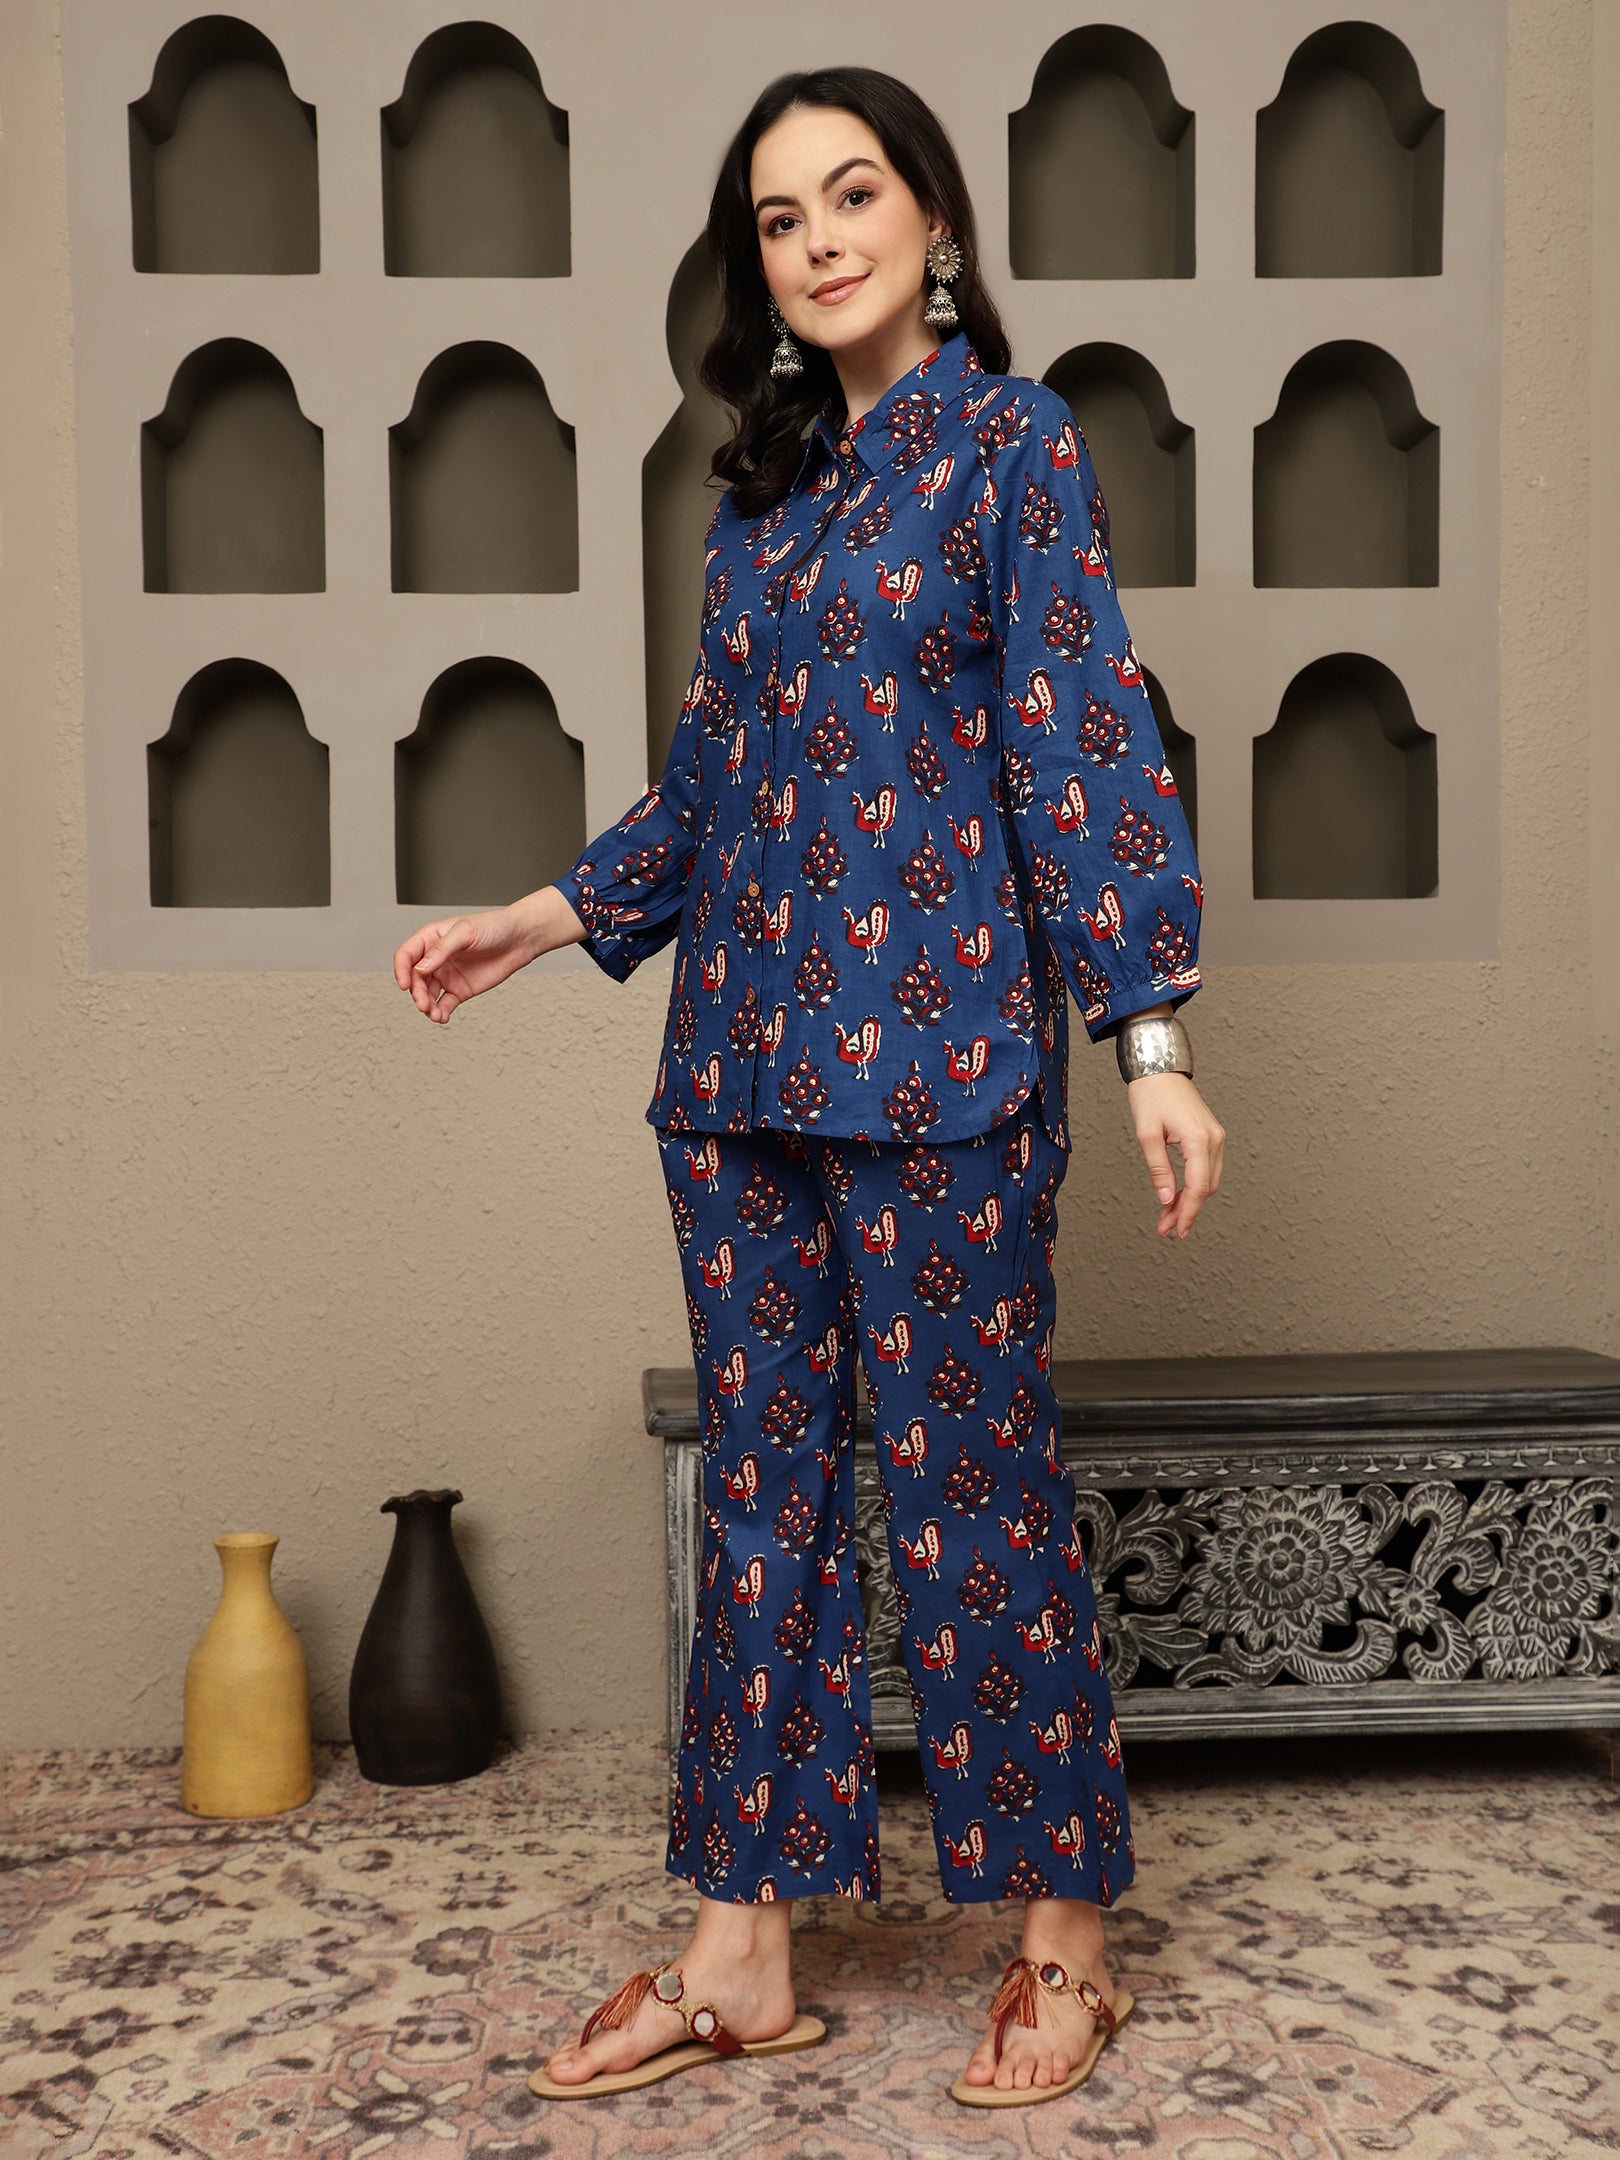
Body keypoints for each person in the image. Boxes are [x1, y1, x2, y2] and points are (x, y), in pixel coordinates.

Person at [393, 65, 1225, 2109]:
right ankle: (742, 1952)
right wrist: (539, 918)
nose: (822, 237)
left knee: (974, 1490)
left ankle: (1062, 1942)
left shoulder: (1016, 450)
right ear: (756, 265)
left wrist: (1151, 1044)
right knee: (761, 1503)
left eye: (855, 194)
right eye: (781, 216)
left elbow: (1082, 744)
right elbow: (711, 792)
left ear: (935, 222)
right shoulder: (758, 512)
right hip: (741, 1074)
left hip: (945, 1073)